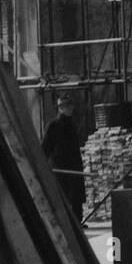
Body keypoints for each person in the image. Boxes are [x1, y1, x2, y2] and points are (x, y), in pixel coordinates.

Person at [41, 92, 86, 224]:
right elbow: (45, 148)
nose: (70, 109)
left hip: (74, 168)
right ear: (60, 108)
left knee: (76, 198)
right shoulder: (54, 126)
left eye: (71, 106)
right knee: (64, 198)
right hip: (61, 170)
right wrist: (44, 167)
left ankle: (78, 222)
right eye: (67, 106)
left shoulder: (71, 126)